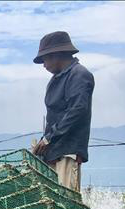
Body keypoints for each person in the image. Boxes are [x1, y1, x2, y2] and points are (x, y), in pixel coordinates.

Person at [32, 31, 94, 192]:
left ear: (56, 55)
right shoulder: (56, 79)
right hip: (53, 152)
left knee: (67, 203)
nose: (44, 65)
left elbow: (77, 110)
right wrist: (44, 141)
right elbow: (55, 118)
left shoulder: (79, 74)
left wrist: (48, 139)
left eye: (44, 59)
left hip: (68, 152)